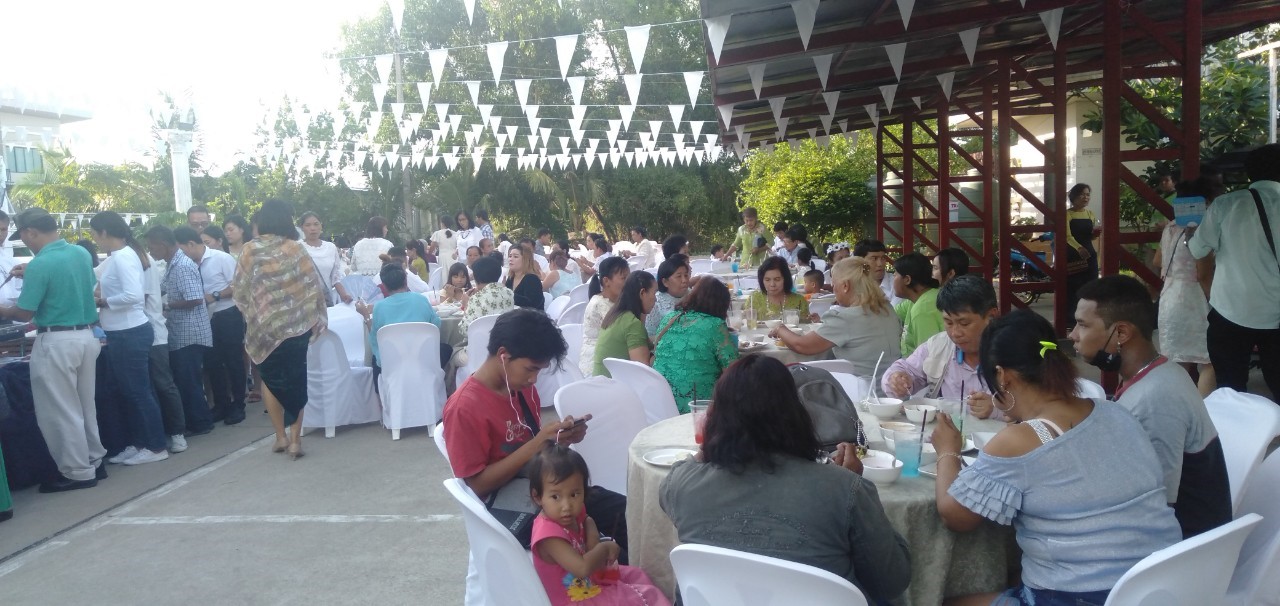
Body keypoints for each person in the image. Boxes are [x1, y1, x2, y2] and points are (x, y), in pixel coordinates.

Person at [932, 310, 1181, 605]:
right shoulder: (1115, 411)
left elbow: (955, 516)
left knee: (938, 601)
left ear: (1001, 375)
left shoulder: (1020, 440)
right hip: (1162, 585)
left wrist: (947, 450)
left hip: (1081, 595)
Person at [660, 355, 911, 603]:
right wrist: (853, 488)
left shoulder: (680, 484)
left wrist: (715, 444)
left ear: (715, 418)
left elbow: (692, 466)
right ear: (797, 414)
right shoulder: (844, 489)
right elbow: (891, 582)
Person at [442, 309, 629, 603]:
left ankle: (616, 591)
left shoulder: (520, 388)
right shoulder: (464, 406)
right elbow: (476, 485)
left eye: (539, 371)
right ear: (503, 355)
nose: (533, 379)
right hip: (510, 508)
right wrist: (539, 442)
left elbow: (532, 451)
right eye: (530, 369)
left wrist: (559, 439)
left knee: (627, 512)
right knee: (616, 525)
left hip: (543, 491)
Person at [1072, 276, 1232, 538]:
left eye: (1082, 325)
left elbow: (1154, 509)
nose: (1073, 335)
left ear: (1121, 333)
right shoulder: (1158, 372)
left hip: (1180, 547)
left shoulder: (1156, 400)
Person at [0, 208, 104, 492]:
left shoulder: (40, 264)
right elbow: (73, 283)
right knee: (85, 406)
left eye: (22, 235)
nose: (24, 241)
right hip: (86, 335)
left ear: (30, 232)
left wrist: (3, 308)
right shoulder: (79, 253)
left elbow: (24, 312)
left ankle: (77, 472)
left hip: (56, 340)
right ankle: (95, 461)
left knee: (60, 410)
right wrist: (32, 274)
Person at [232, 199, 328, 460]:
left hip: (265, 329)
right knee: (296, 379)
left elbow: (240, 289)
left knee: (270, 379)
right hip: (296, 328)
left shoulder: (250, 250)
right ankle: (296, 441)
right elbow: (312, 286)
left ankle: (280, 437)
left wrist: (256, 312)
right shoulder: (296, 248)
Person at [1188, 143, 1280, 395]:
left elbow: (1198, 250)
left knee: (1230, 387)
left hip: (1231, 311)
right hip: (1276, 314)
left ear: (1249, 173)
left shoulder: (1226, 204)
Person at [528, 443, 670, 606]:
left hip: (591, 580)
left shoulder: (573, 512)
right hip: (574, 598)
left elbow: (586, 520)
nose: (566, 505)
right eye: (555, 497)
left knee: (636, 575)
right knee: (642, 596)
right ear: (537, 497)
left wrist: (593, 541)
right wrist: (604, 548)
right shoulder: (548, 535)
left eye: (574, 494)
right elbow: (581, 568)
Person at [90, 212, 171, 466]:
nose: (94, 239)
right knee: (130, 391)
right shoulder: (118, 256)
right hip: (120, 331)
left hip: (130, 331)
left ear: (104, 232)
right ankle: (140, 443)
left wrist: (103, 301)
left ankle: (156, 446)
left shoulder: (125, 256)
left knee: (139, 392)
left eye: (94, 234)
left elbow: (133, 296)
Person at [773, 257, 901, 379]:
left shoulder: (846, 318)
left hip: (860, 389)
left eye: (834, 285)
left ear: (845, 286)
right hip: (892, 388)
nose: (833, 290)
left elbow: (801, 345)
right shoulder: (887, 308)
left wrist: (780, 329)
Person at [883, 275, 999, 408]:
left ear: (991, 316)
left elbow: (1021, 406)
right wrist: (896, 379)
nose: (955, 333)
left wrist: (998, 408)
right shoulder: (939, 345)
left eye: (964, 323)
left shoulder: (1013, 351)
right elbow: (905, 368)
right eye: (948, 322)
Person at [145, 226, 215, 437]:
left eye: (151, 247)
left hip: (190, 333)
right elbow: (161, 289)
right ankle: (196, 421)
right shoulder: (172, 264)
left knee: (189, 381)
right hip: (180, 333)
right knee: (186, 380)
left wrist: (167, 306)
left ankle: (201, 423)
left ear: (162, 245)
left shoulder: (182, 265)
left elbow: (195, 299)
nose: (150, 252)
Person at [174, 226, 246, 426]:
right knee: (212, 363)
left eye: (181, 249)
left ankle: (238, 404)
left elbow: (239, 285)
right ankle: (221, 404)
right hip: (203, 318)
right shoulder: (186, 264)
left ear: (190, 244)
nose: (180, 254)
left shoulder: (221, 258)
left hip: (226, 314)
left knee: (233, 361)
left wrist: (214, 296)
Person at [1153, 178, 1218, 394]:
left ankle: (1180, 408)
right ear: (1204, 202)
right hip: (1196, 299)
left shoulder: (1170, 227)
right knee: (1210, 362)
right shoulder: (1203, 230)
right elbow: (1203, 273)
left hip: (1170, 297)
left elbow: (1157, 261)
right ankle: (1204, 409)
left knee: (1177, 363)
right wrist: (1215, 303)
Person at [652, 277, 737, 411]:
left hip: (662, 402)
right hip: (698, 405)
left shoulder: (669, 318)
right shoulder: (715, 325)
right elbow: (733, 370)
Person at [140, 229, 188, 454]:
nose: (150, 250)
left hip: (155, 333)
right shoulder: (152, 263)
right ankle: (163, 432)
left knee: (164, 383)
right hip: (140, 332)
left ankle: (178, 433)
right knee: (151, 386)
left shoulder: (146, 263)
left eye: (152, 246)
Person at [358, 263, 450, 376]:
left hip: (393, 363)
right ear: (405, 281)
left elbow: (375, 338)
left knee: (375, 360)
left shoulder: (379, 307)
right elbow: (436, 325)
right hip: (423, 359)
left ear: (384, 286)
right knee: (446, 348)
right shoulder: (421, 299)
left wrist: (366, 316)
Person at [592, 271, 656, 377]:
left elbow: (644, 342)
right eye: (654, 293)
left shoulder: (616, 314)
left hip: (600, 381)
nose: (656, 299)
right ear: (642, 293)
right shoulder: (632, 324)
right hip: (614, 384)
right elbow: (643, 371)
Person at [580, 257, 629, 377]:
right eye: (624, 278)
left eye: (629, 277)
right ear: (606, 281)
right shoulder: (600, 304)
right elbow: (624, 334)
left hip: (612, 356)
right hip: (598, 364)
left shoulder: (616, 301)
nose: (629, 283)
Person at [892, 252, 943, 357]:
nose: (893, 278)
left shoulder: (922, 308)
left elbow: (927, 357)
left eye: (895, 274)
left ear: (907, 280)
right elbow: (889, 313)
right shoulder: (917, 299)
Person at [1064, 183, 1100, 322]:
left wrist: (1095, 235)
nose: (1085, 197)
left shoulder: (1090, 214)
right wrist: (1078, 248)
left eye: (1087, 195)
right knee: (1074, 287)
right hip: (1073, 255)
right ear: (1074, 197)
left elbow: (1090, 236)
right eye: (1082, 194)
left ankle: (1090, 316)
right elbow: (1067, 236)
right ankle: (1071, 319)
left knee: (1091, 286)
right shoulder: (1067, 214)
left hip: (1089, 254)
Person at [298, 212, 352, 305]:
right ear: (302, 228)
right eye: (308, 225)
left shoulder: (330, 248)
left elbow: (335, 276)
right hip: (303, 302)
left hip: (325, 301)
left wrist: (343, 294)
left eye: (316, 224)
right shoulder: (296, 247)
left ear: (321, 226)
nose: (312, 228)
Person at [459, 256, 514, 333]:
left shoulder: (476, 298)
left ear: (476, 276)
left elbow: (464, 330)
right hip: (504, 338)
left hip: (481, 340)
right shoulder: (509, 293)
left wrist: (466, 306)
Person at [746, 256, 810, 322]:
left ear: (785, 279)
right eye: (767, 280)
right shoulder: (754, 299)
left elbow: (806, 326)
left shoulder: (799, 301)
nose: (772, 284)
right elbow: (746, 324)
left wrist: (813, 320)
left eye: (777, 279)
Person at [644, 254, 690, 338]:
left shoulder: (693, 295)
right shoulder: (655, 303)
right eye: (679, 276)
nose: (684, 280)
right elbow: (650, 336)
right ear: (665, 282)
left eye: (686, 275)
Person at [854, 239, 902, 306]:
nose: (880, 264)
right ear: (860, 261)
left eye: (883, 258)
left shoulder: (897, 283)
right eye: (874, 258)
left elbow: (895, 310)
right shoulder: (853, 285)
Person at [505, 243, 544, 310]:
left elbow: (532, 304)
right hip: (513, 314)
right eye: (510, 256)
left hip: (531, 315)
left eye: (515, 257)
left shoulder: (532, 279)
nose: (511, 259)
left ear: (525, 260)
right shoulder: (511, 278)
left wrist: (508, 294)